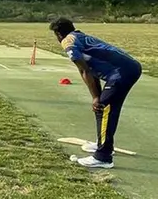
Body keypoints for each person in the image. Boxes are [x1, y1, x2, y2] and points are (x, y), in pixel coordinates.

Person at [50, 17, 143, 169]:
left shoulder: (68, 41)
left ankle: (103, 157)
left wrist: (95, 98)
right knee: (105, 107)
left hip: (121, 72)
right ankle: (103, 145)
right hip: (129, 68)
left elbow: (84, 69)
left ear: (58, 34)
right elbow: (90, 71)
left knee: (102, 107)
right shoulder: (79, 35)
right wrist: (97, 96)